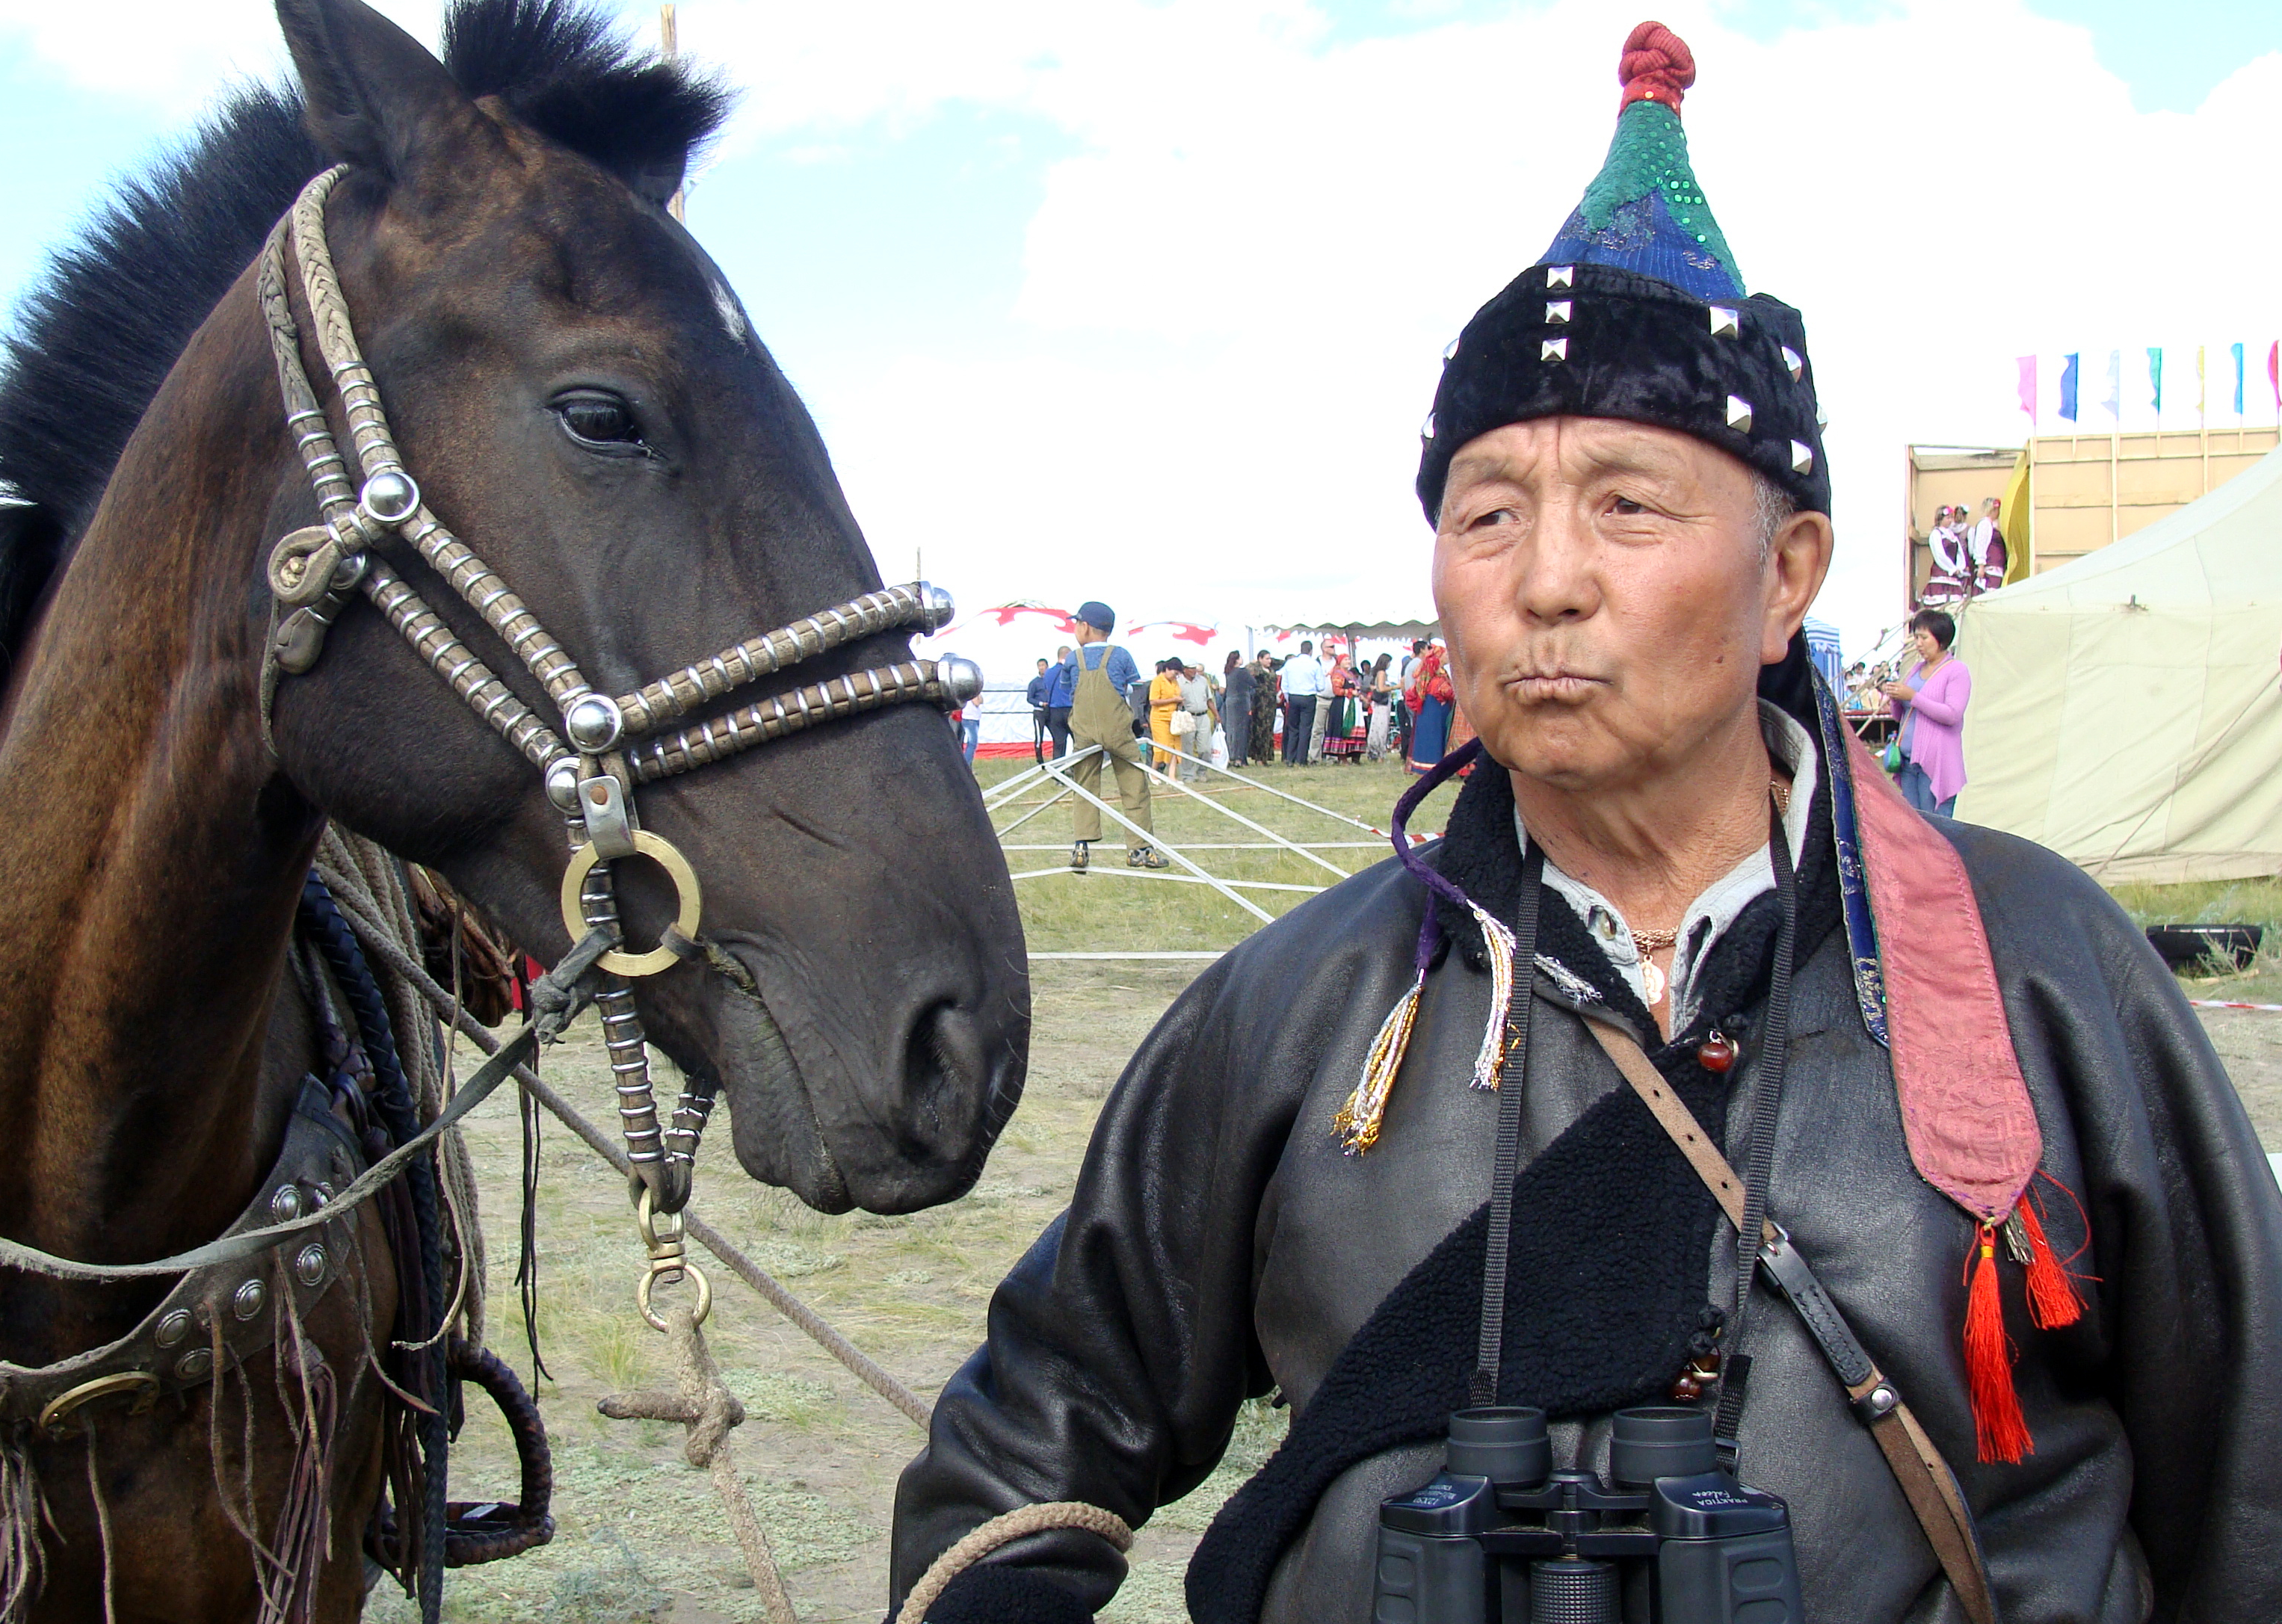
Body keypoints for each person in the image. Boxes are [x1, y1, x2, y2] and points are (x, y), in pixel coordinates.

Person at [889, 28, 2282, 1624]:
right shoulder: (1299, 1010)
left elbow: (2253, 1482)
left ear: (1790, 574)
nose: (1543, 578)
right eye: (1486, 514)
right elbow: (1032, 1431)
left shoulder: (2037, 970)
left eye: (1628, 504)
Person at [1049, 602, 1162, 871]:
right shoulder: (1121, 655)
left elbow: (1069, 692)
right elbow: (1132, 689)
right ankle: (1140, 848)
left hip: (1085, 731)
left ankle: (1081, 846)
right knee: (1134, 784)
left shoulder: (1073, 659)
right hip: (1118, 730)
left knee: (1084, 785)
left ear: (1085, 627)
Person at [1882, 608, 1970, 815]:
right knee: (1915, 823)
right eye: (1916, 637)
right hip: (1908, 762)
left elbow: (1952, 714)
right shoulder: (1916, 668)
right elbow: (1901, 716)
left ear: (1940, 638)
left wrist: (1912, 696)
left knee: (1935, 826)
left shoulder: (1956, 671)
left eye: (1923, 637)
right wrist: (1896, 698)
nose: (1918, 644)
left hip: (1935, 762)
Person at [1403, 641, 1455, 774]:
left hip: (1431, 710)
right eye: (1445, 654)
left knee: (1425, 736)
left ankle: (1421, 765)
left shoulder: (1434, 677)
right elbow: (1449, 693)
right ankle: (1432, 766)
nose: (1448, 656)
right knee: (1433, 737)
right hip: (1435, 711)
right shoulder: (1437, 680)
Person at [1280, 640, 1324, 765]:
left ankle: (1290, 758)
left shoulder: (1290, 663)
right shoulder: (1315, 664)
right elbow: (1321, 686)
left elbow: (1285, 684)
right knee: (1305, 728)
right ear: (1311, 651)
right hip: (1308, 697)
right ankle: (1301, 758)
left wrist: (1288, 697)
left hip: (1294, 697)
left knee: (1293, 728)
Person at [1180, 658, 1219, 782]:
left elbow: (1209, 700)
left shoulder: (1202, 681)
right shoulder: (1178, 682)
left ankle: (1202, 771)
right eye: (1191, 668)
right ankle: (1188, 774)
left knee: (1205, 748)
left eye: (1194, 668)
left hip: (1203, 716)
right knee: (1187, 747)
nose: (1194, 671)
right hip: (1187, 716)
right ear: (1185, 669)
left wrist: (1217, 715)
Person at [1149, 658, 1185, 783]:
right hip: (1160, 718)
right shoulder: (1157, 681)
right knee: (1162, 746)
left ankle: (1172, 776)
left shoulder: (1175, 682)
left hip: (1173, 718)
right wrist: (1173, 700)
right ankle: (1153, 773)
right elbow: (1153, 701)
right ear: (1167, 669)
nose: (1175, 676)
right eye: (1175, 673)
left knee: (1175, 746)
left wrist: (1180, 701)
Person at [1248, 655, 1281, 769]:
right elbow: (1248, 669)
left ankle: (1266, 757)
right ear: (1260, 659)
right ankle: (1258, 757)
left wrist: (1271, 660)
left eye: (1270, 658)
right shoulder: (1258, 670)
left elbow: (1281, 663)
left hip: (1271, 703)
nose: (1269, 661)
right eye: (1266, 659)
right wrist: (1257, 663)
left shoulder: (1271, 670)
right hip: (1260, 703)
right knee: (1260, 730)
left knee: (1268, 731)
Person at [1968, 495, 2008, 595]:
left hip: (1996, 566)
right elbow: (1980, 545)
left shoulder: (1993, 525)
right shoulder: (1985, 524)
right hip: (1989, 567)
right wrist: (1981, 566)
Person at [1222, 652, 1254, 768]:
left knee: (1231, 730)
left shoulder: (1229, 672)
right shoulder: (1242, 672)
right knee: (1242, 730)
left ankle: (1231, 755)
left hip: (1230, 702)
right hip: (1241, 702)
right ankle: (1240, 758)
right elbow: (1253, 683)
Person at [1043, 645, 1075, 759]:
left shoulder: (1048, 673)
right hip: (1070, 709)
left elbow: (1046, 689)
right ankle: (1075, 767)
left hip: (1054, 711)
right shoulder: (1071, 672)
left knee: (1059, 742)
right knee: (1078, 741)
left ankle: (1058, 770)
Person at [1365, 652, 1397, 760]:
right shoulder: (1382, 673)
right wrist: (1395, 687)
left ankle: (1374, 751)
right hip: (1383, 704)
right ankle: (1380, 753)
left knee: (1376, 727)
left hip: (1378, 704)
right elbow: (1381, 688)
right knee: (1382, 728)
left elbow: (1374, 686)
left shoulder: (1377, 673)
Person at [1024, 657, 1054, 764]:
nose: (1042, 668)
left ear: (1047, 666)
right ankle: (1040, 760)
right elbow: (1029, 698)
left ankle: (1057, 758)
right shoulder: (1034, 683)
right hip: (1039, 712)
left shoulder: (1051, 680)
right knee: (1039, 736)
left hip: (1051, 712)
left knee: (1056, 735)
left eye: (1043, 666)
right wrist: (1040, 703)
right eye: (1040, 666)